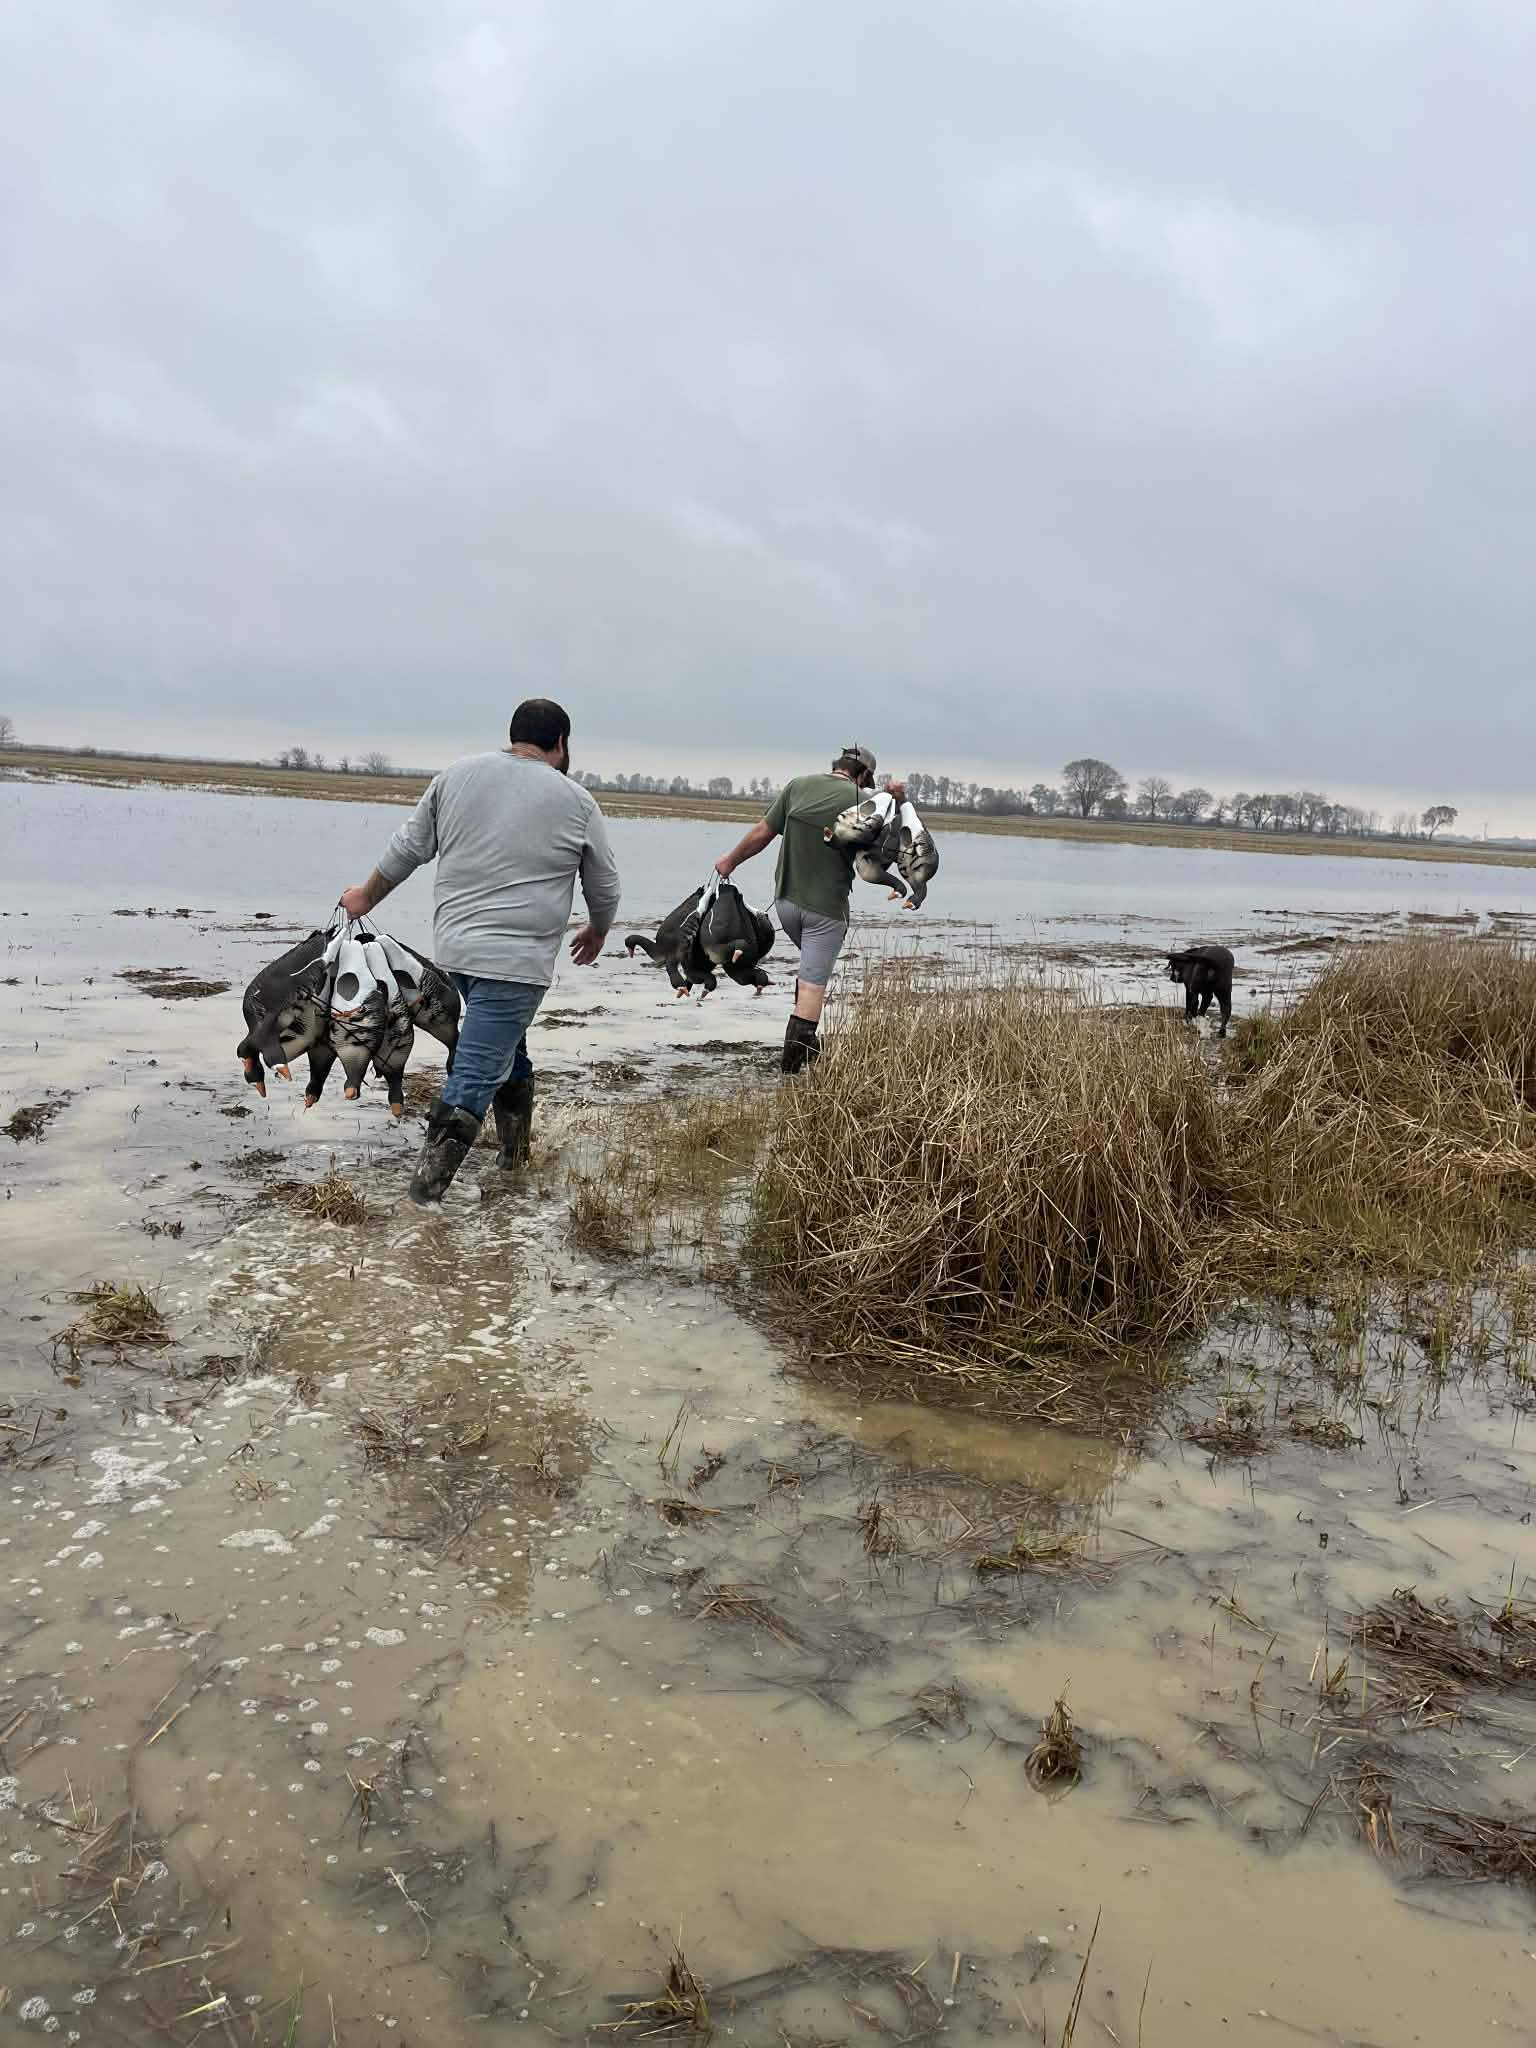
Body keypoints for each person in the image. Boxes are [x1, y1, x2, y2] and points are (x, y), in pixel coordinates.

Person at [338, 698, 620, 1206]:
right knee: (475, 1070)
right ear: (561, 744)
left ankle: (515, 1159)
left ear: (514, 737)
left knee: (507, 1050)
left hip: (457, 954)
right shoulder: (576, 801)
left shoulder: (455, 776)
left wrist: (364, 896)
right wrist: (598, 931)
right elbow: (605, 887)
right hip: (515, 964)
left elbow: (408, 848)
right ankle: (424, 1200)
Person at [713, 744, 904, 1072]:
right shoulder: (864, 801)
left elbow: (762, 833)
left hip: (786, 905)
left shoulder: (798, 786)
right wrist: (895, 801)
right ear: (863, 776)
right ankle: (791, 1070)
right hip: (825, 912)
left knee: (807, 974)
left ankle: (807, 1046)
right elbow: (889, 849)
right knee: (814, 985)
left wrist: (730, 861)